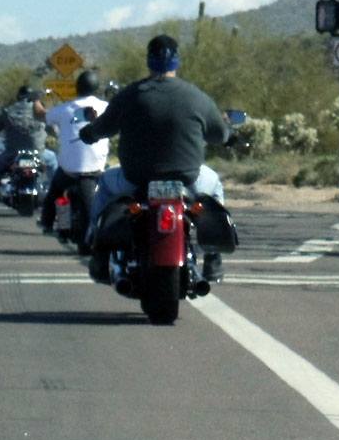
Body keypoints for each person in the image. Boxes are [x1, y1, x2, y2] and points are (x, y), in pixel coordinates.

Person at [79, 34, 231, 282]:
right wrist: (228, 133)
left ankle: (98, 253)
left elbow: (102, 128)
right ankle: (213, 258)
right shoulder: (197, 97)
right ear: (177, 60)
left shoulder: (129, 96)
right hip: (188, 179)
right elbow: (220, 135)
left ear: (149, 60)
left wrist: (89, 133)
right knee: (214, 187)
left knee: (105, 184)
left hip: (135, 179)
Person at [39, 70, 109, 231]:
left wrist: (36, 99)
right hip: (96, 170)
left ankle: (47, 222)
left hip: (69, 172)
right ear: (96, 88)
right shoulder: (107, 108)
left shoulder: (64, 109)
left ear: (77, 88)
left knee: (54, 192)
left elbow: (40, 115)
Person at [0, 85, 58, 195]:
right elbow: (53, 129)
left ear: (19, 96)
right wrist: (57, 137)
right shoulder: (40, 111)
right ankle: (56, 192)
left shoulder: (8, 111)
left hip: (12, 154)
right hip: (38, 153)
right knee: (53, 160)